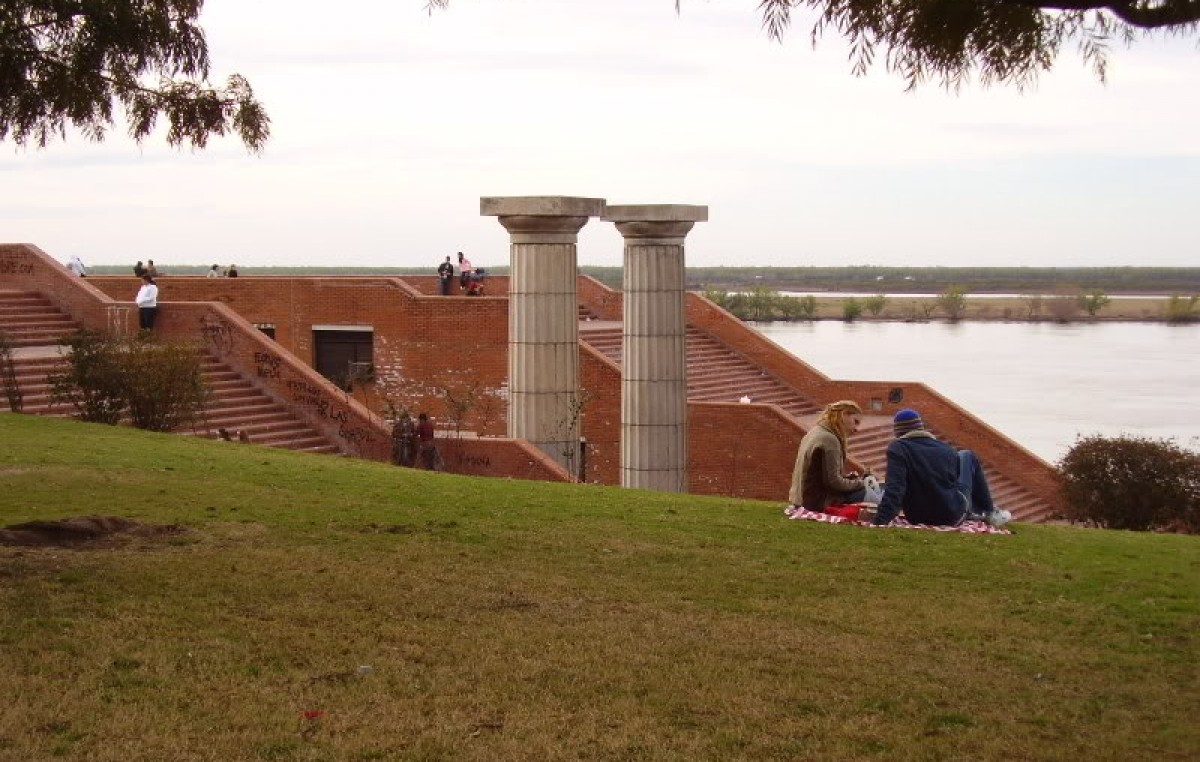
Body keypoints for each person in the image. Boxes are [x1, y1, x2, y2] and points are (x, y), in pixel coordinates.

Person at [871, 409, 1011, 527]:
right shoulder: (947, 450)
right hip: (953, 515)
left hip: (917, 517)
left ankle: (982, 511)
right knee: (967, 455)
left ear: (898, 432)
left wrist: (880, 521)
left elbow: (895, 488)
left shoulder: (898, 448)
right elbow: (953, 482)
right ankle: (989, 512)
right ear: (921, 427)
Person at [788, 400, 872, 512]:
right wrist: (862, 483)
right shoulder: (829, 439)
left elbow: (823, 477)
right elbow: (834, 483)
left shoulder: (815, 432)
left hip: (802, 499)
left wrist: (849, 479)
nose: (856, 429)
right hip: (817, 503)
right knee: (875, 493)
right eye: (855, 421)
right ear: (844, 414)